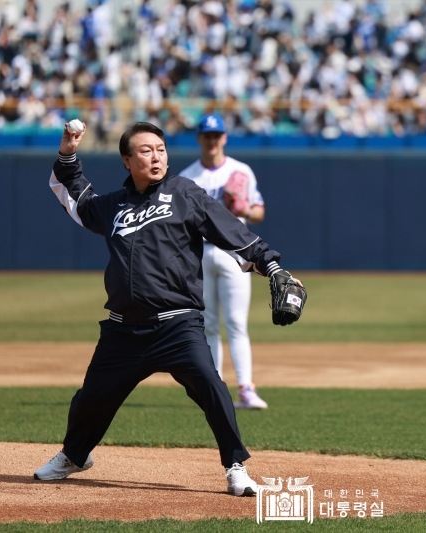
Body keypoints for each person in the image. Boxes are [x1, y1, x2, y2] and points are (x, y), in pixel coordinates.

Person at [33, 121, 304, 496]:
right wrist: (68, 153)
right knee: (90, 399)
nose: (156, 156)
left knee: (211, 387)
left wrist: (271, 265)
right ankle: (74, 456)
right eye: (146, 150)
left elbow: (233, 233)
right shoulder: (112, 205)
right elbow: (76, 197)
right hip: (123, 331)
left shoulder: (185, 194)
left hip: (177, 325)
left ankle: (235, 467)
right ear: (127, 160)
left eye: (160, 149)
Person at [177, 115, 269, 409]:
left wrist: (244, 208)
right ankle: (213, 389)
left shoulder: (241, 170)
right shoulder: (187, 177)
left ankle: (246, 388)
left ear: (225, 137)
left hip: (235, 252)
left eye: (217, 134)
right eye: (207, 135)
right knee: (209, 325)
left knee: (236, 323)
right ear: (199, 139)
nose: (212, 140)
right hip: (201, 253)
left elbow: (258, 212)